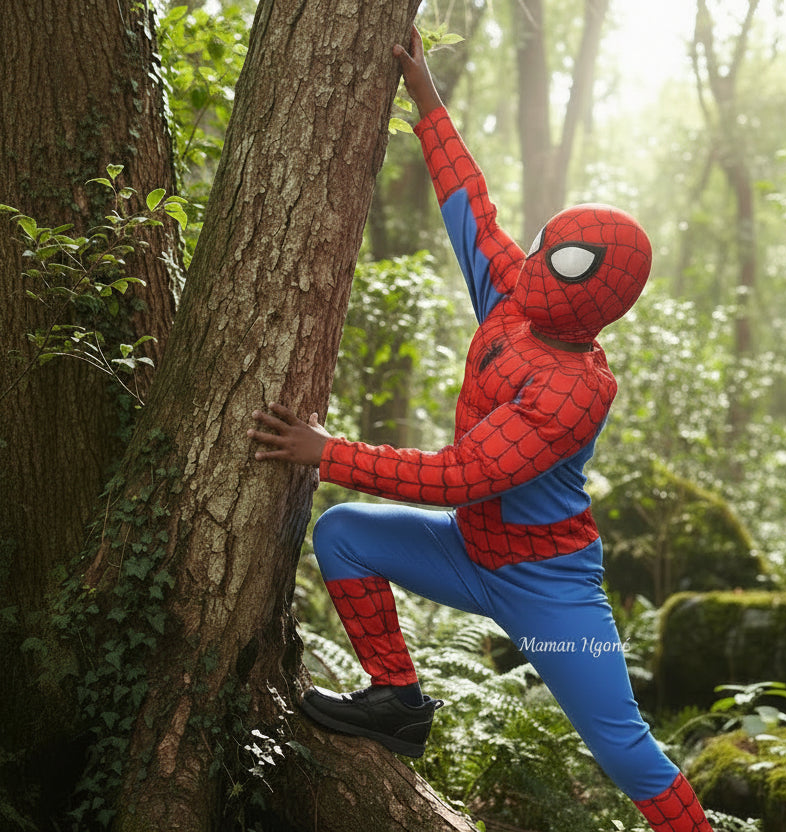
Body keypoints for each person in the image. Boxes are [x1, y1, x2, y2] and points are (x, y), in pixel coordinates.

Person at [247, 17, 714, 832]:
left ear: (598, 298)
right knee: (344, 535)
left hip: (549, 588)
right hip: (468, 551)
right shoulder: (513, 297)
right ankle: (397, 701)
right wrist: (427, 99)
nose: (535, 260)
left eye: (562, 261)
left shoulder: (576, 390)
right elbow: (470, 206)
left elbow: (461, 476)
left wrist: (327, 452)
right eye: (546, 245)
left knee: (624, 750)